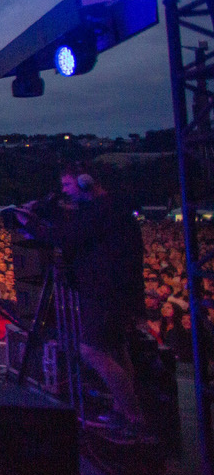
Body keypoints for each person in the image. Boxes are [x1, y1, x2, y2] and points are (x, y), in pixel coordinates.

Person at [21, 166, 151, 444]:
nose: (65, 192)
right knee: (115, 350)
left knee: (92, 350)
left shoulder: (102, 209)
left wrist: (28, 223)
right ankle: (122, 411)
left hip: (105, 291)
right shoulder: (107, 207)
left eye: (67, 185)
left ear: (85, 182)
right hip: (113, 290)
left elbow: (67, 237)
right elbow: (74, 228)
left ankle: (135, 418)